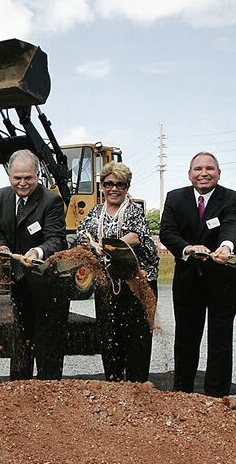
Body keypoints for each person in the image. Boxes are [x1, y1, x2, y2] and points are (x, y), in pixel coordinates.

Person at [160, 151, 236, 397]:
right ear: (189, 174)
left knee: (220, 342)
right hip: (188, 280)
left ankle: (217, 398)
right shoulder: (175, 198)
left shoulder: (233, 198)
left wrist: (226, 247)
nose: (203, 173)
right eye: (198, 169)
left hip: (223, 281)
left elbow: (232, 225)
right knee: (186, 340)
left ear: (218, 173)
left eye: (209, 168)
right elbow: (167, 232)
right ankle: (182, 394)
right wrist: (187, 248)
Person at [74, 161, 159, 382]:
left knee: (136, 337)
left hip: (136, 284)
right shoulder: (96, 211)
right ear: (102, 186)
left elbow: (136, 236)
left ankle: (136, 385)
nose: (114, 189)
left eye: (119, 184)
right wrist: (87, 240)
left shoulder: (133, 210)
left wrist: (111, 246)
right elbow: (82, 232)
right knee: (109, 335)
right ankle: (113, 383)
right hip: (107, 284)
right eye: (108, 183)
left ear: (127, 187)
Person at [0, 149, 67, 380]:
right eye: (17, 178)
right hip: (18, 280)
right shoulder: (2, 196)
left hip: (45, 281)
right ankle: (19, 386)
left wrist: (38, 251)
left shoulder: (51, 200)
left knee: (47, 340)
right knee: (21, 335)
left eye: (28, 177)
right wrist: (3, 247)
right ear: (9, 176)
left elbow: (57, 239)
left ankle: (49, 386)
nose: (23, 183)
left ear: (38, 176)